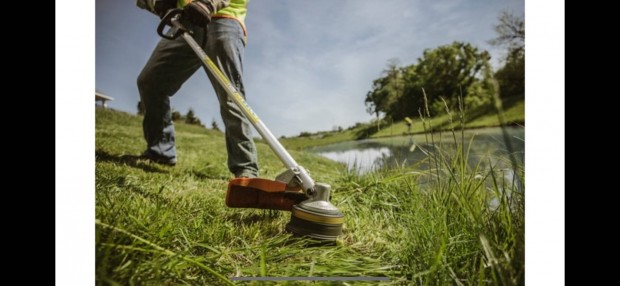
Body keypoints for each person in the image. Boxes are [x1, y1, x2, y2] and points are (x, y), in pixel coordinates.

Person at [135, 0, 258, 178]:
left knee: (231, 95)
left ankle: (245, 169)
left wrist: (209, 3)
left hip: (224, 19)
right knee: (151, 82)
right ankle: (160, 152)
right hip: (185, 21)